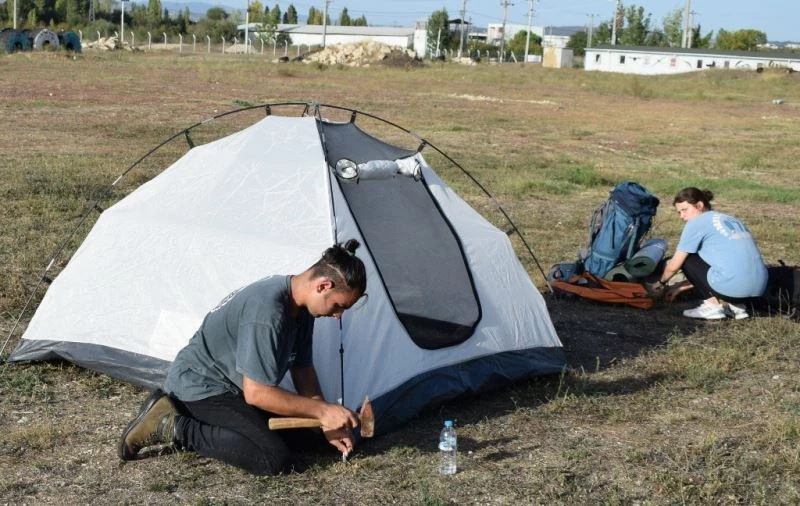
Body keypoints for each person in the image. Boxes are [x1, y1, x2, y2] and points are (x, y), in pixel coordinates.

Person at [118, 239, 368, 475]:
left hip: (234, 389)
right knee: (272, 458)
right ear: (323, 286)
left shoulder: (302, 309)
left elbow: (302, 368)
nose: (338, 316)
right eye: (339, 306)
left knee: (312, 439)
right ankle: (173, 425)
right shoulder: (269, 312)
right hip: (200, 387)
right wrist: (323, 411)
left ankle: (197, 423)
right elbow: (257, 393)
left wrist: (323, 422)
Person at [651, 187, 767, 320]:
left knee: (687, 258)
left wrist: (660, 283)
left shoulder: (697, 222)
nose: (682, 216)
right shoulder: (731, 219)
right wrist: (680, 286)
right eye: (679, 212)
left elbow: (674, 265)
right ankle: (737, 307)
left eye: (684, 210)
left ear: (699, 205)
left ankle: (712, 307)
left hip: (734, 288)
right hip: (759, 289)